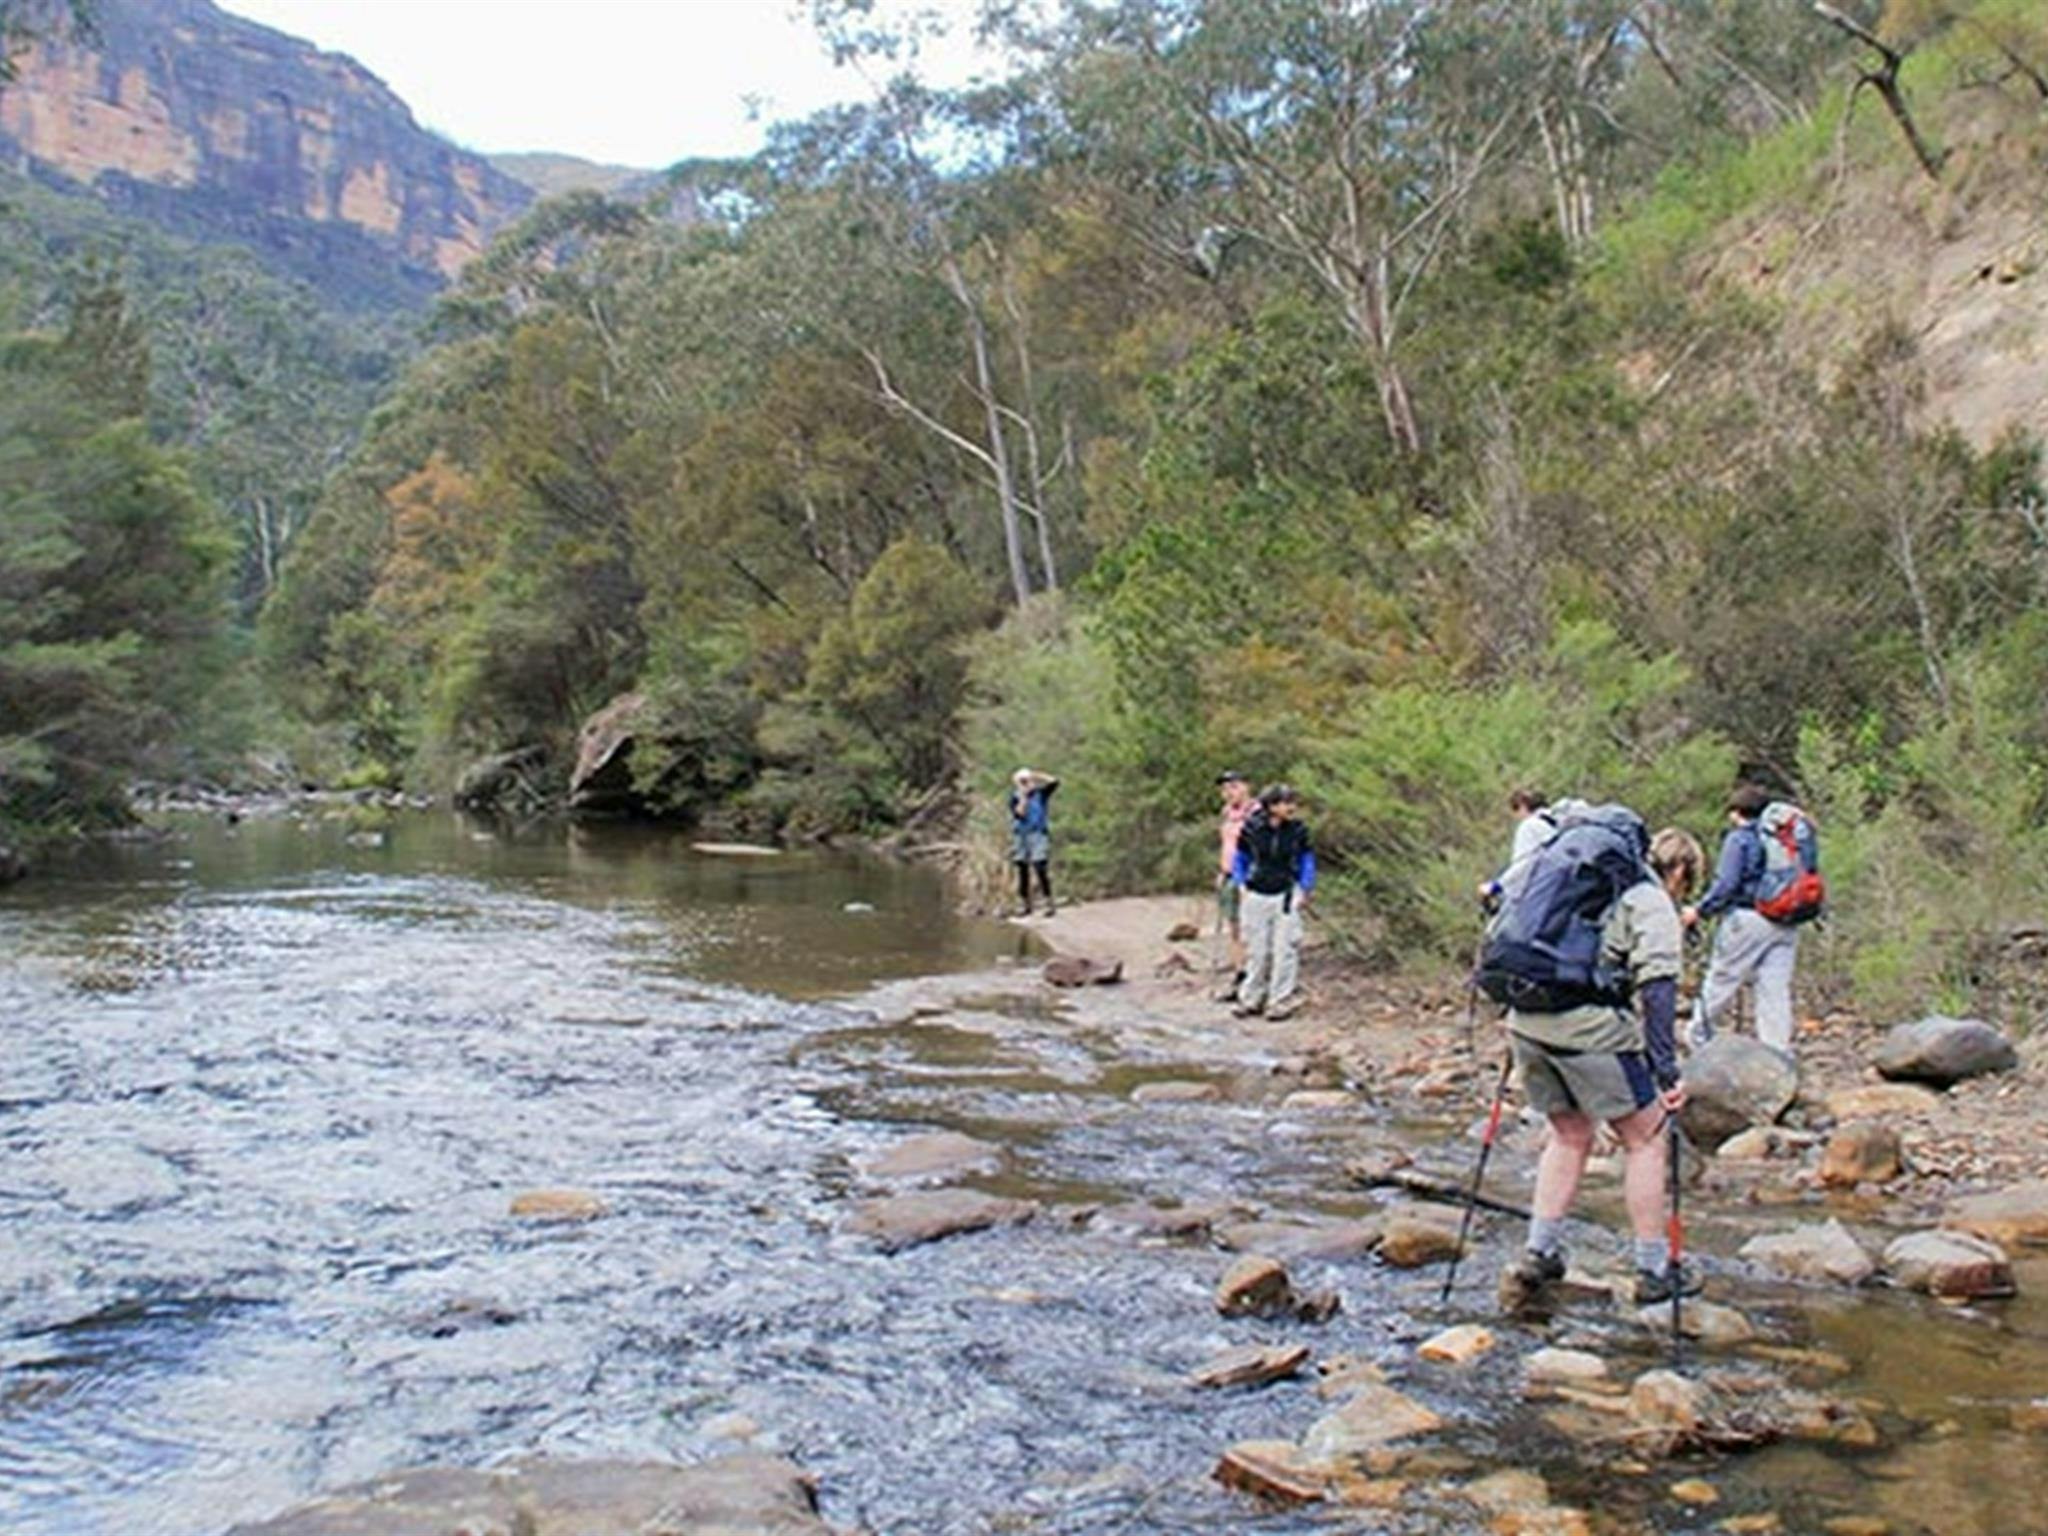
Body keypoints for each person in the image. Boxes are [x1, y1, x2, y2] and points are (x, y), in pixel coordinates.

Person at [1499, 824, 1705, 1309]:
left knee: (1569, 1134)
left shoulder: (1572, 883)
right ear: (1678, 870)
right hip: (1585, 1029)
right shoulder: (1649, 899)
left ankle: (1540, 1250)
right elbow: (1657, 988)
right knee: (1646, 1137)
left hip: (1526, 1021)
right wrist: (1666, 1073)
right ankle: (1654, 1268)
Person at [1682, 784, 1801, 1054]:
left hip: (1748, 919)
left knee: (1723, 978)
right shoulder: (1784, 839)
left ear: (1736, 813)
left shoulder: (1740, 839)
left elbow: (1727, 884)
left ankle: (1697, 1035)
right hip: (1786, 921)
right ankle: (1777, 1051)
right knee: (1775, 989)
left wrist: (1699, 911)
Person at [1231, 783, 1316, 1020]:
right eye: (1286, 803)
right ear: (1271, 806)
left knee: (1285, 949)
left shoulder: (1298, 830)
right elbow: (1241, 857)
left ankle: (1279, 1000)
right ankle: (1251, 998)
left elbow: (1306, 858)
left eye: (1292, 802)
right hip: (1256, 892)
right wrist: (1240, 883)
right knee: (1257, 950)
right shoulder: (1252, 828)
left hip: (1286, 892)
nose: (1292, 807)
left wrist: (1306, 886)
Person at [1215, 770, 1255, 1000]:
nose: (1229, 792)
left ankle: (1255, 977)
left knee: (1251, 928)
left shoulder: (1256, 813)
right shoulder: (1227, 813)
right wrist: (1222, 870)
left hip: (1249, 878)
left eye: (1234, 786)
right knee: (1234, 928)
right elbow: (1227, 844)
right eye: (1225, 788)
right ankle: (1239, 975)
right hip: (1228, 876)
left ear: (1246, 786)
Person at [1477, 788, 1553, 909]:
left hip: (1540, 896)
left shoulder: (1529, 826)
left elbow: (1524, 863)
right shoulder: (1555, 822)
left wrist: (1496, 886)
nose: (1516, 816)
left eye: (1515, 809)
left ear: (1523, 806)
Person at [1008, 768, 1059, 917]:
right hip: (1021, 835)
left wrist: (1035, 775)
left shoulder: (1041, 794)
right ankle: (1025, 904)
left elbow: (1055, 781)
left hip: (1038, 833)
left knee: (1039, 866)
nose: (1026, 783)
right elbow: (1019, 813)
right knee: (1022, 868)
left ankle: (1048, 901)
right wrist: (1023, 796)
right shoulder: (1015, 797)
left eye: (1027, 781)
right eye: (1022, 781)